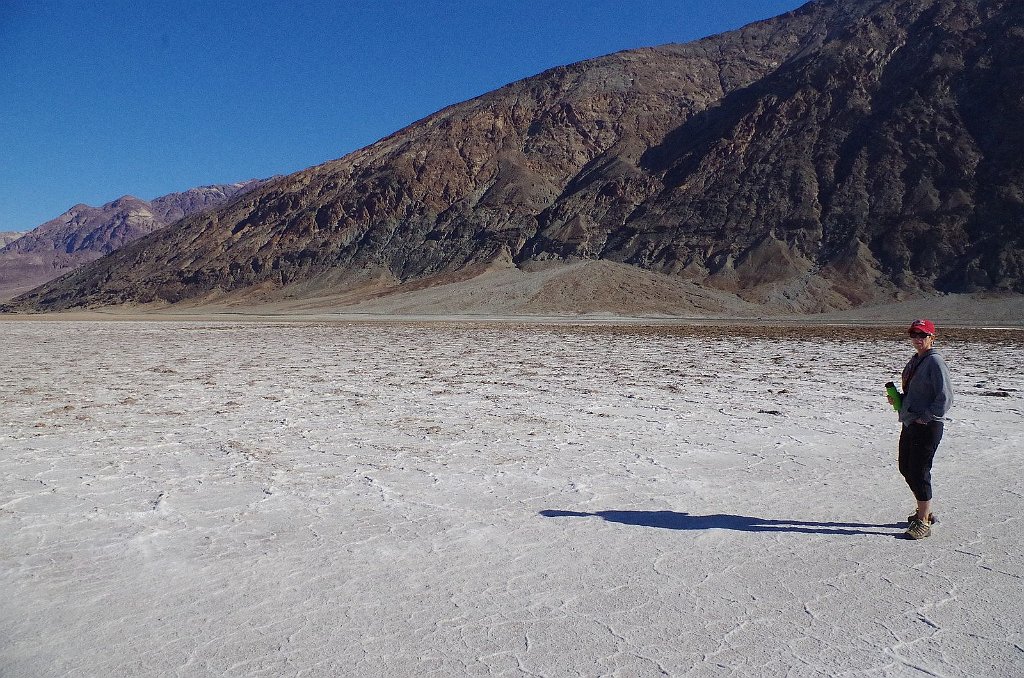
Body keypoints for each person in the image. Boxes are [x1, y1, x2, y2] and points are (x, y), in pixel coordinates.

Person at [889, 319, 953, 540]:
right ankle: (925, 510)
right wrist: (901, 400)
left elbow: (945, 398)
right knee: (906, 468)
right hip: (910, 422)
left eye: (923, 335)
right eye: (914, 334)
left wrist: (925, 418)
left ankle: (924, 520)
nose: (918, 338)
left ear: (932, 338)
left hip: (926, 426)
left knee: (919, 470)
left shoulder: (935, 362)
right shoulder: (916, 360)